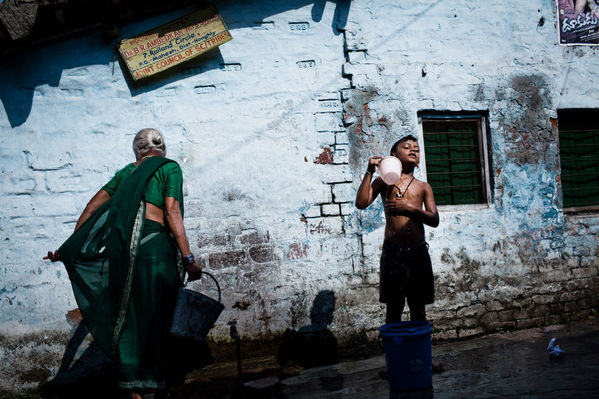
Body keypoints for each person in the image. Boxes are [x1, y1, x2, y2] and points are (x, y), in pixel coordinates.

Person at [45, 128, 207, 398]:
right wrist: (188, 258)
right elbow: (171, 210)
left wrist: (69, 248)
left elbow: (91, 208)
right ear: (162, 149)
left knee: (130, 315)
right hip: (154, 249)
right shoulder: (169, 168)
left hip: (122, 254)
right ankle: (155, 381)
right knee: (157, 313)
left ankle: (133, 386)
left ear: (137, 151)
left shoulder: (125, 174)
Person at [355, 135, 439, 323]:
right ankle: (395, 350)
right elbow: (361, 203)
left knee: (418, 307)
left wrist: (407, 208)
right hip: (393, 253)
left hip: (417, 253)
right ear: (393, 155)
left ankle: (418, 351)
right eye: (407, 147)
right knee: (394, 307)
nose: (413, 151)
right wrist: (370, 171)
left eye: (416, 149)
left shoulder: (423, 187)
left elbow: (434, 219)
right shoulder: (385, 183)